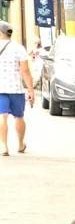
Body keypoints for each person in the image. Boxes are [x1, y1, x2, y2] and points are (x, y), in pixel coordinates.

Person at [0, 20, 35, 156]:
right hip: (16, 88)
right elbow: (25, 70)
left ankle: (4, 146)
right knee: (19, 117)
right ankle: (20, 144)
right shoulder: (18, 48)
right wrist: (30, 89)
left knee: (2, 117)